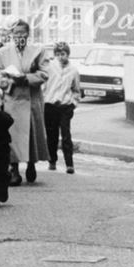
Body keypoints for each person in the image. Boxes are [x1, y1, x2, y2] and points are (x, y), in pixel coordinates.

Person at [0, 20, 50, 186]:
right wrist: (9, 81)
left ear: (28, 34)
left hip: (31, 99)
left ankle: (31, 164)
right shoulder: (2, 53)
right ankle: (14, 170)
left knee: (31, 133)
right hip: (12, 98)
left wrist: (25, 78)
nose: (19, 36)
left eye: (22, 33)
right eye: (16, 33)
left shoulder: (38, 51)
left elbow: (45, 73)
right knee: (13, 135)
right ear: (11, 35)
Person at [44, 41, 81, 174]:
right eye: (58, 54)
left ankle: (69, 164)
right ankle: (52, 160)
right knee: (51, 134)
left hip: (65, 106)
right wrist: (44, 100)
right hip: (50, 105)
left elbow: (76, 90)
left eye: (63, 54)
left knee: (66, 135)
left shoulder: (73, 70)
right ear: (55, 55)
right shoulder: (49, 68)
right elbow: (44, 86)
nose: (61, 57)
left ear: (68, 54)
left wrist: (73, 104)